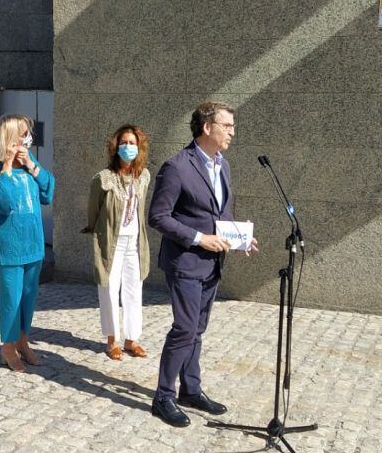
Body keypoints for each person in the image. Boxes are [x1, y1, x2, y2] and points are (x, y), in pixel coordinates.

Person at [147, 101, 257, 428]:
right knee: (184, 328)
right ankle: (163, 396)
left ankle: (190, 389)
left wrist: (239, 239)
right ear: (207, 128)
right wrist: (199, 238)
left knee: (198, 328)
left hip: (213, 262)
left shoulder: (223, 165)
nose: (232, 133)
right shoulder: (177, 166)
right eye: (227, 126)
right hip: (185, 262)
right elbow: (158, 217)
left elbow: (222, 212)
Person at [0, 114, 55, 372]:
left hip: (34, 242)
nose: (27, 138)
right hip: (9, 243)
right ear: (9, 138)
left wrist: (33, 167)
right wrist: (6, 167)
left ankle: (23, 340)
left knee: (29, 295)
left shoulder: (29, 161)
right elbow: (3, 203)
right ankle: (7, 346)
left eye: (28, 133)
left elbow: (48, 193)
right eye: (22, 134)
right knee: (11, 297)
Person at [83, 125, 151, 361]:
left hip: (134, 241)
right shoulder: (104, 179)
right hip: (111, 241)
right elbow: (94, 208)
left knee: (134, 288)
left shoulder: (143, 176)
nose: (128, 147)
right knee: (109, 288)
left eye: (132, 143)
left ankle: (132, 339)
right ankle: (112, 339)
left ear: (139, 147)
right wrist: (95, 230)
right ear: (116, 146)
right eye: (124, 143)